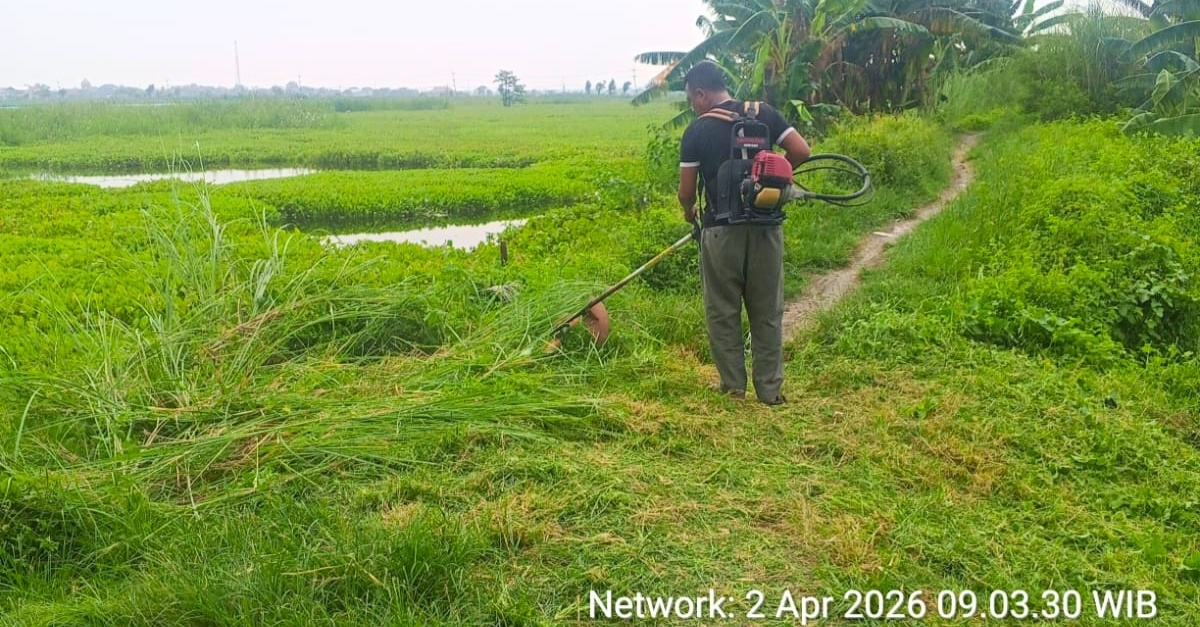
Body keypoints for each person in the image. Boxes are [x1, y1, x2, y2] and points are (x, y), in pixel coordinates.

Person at [677, 61, 811, 405]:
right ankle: (770, 392)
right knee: (767, 310)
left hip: (721, 232)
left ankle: (733, 388)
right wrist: (776, 176)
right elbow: (801, 150)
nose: (693, 104)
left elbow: (686, 190)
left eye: (692, 98)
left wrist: (689, 211)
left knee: (722, 309)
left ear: (702, 94)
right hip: (766, 227)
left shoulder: (697, 131)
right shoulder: (763, 113)